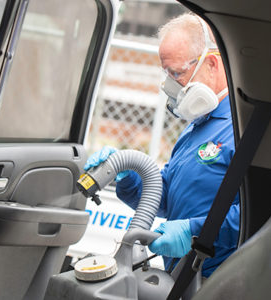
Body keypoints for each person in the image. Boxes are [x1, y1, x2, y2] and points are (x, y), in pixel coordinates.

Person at [84, 13, 239, 278]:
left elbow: (259, 214)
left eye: (177, 73)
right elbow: (164, 195)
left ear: (212, 64)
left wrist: (194, 231)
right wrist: (129, 176)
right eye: (166, 73)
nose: (169, 85)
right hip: (182, 276)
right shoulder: (197, 126)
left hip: (224, 279)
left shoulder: (242, 129)